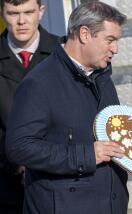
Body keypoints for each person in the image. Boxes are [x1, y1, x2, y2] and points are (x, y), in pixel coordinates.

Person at [5, 2, 128, 214]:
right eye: (110, 40)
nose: (115, 49)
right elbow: (19, 146)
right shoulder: (40, 83)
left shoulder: (102, 76)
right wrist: (87, 155)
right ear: (84, 34)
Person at [0, 0, 58, 213]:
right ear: (2, 14)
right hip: (5, 185)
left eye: (28, 12)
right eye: (14, 13)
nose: (22, 21)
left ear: (41, 12)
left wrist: (41, 160)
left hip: (58, 179)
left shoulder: (64, 53)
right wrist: (15, 162)